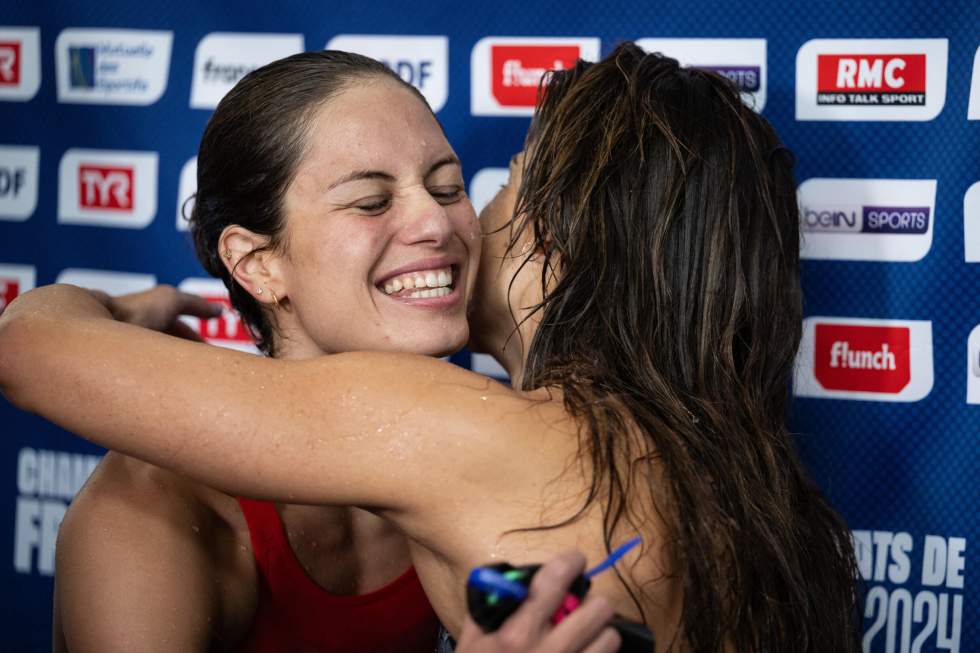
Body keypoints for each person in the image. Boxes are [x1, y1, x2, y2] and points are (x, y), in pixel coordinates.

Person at [0, 43, 862, 651]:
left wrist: (105, 306)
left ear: (559, 252)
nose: (450, 224)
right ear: (254, 261)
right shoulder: (750, 485)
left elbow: (29, 344)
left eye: (478, 188)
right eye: (371, 200)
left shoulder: (473, 433)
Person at [45, 51, 619, 653]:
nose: (435, 221)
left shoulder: (492, 454)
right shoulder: (147, 508)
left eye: (447, 187)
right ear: (258, 264)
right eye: (371, 201)